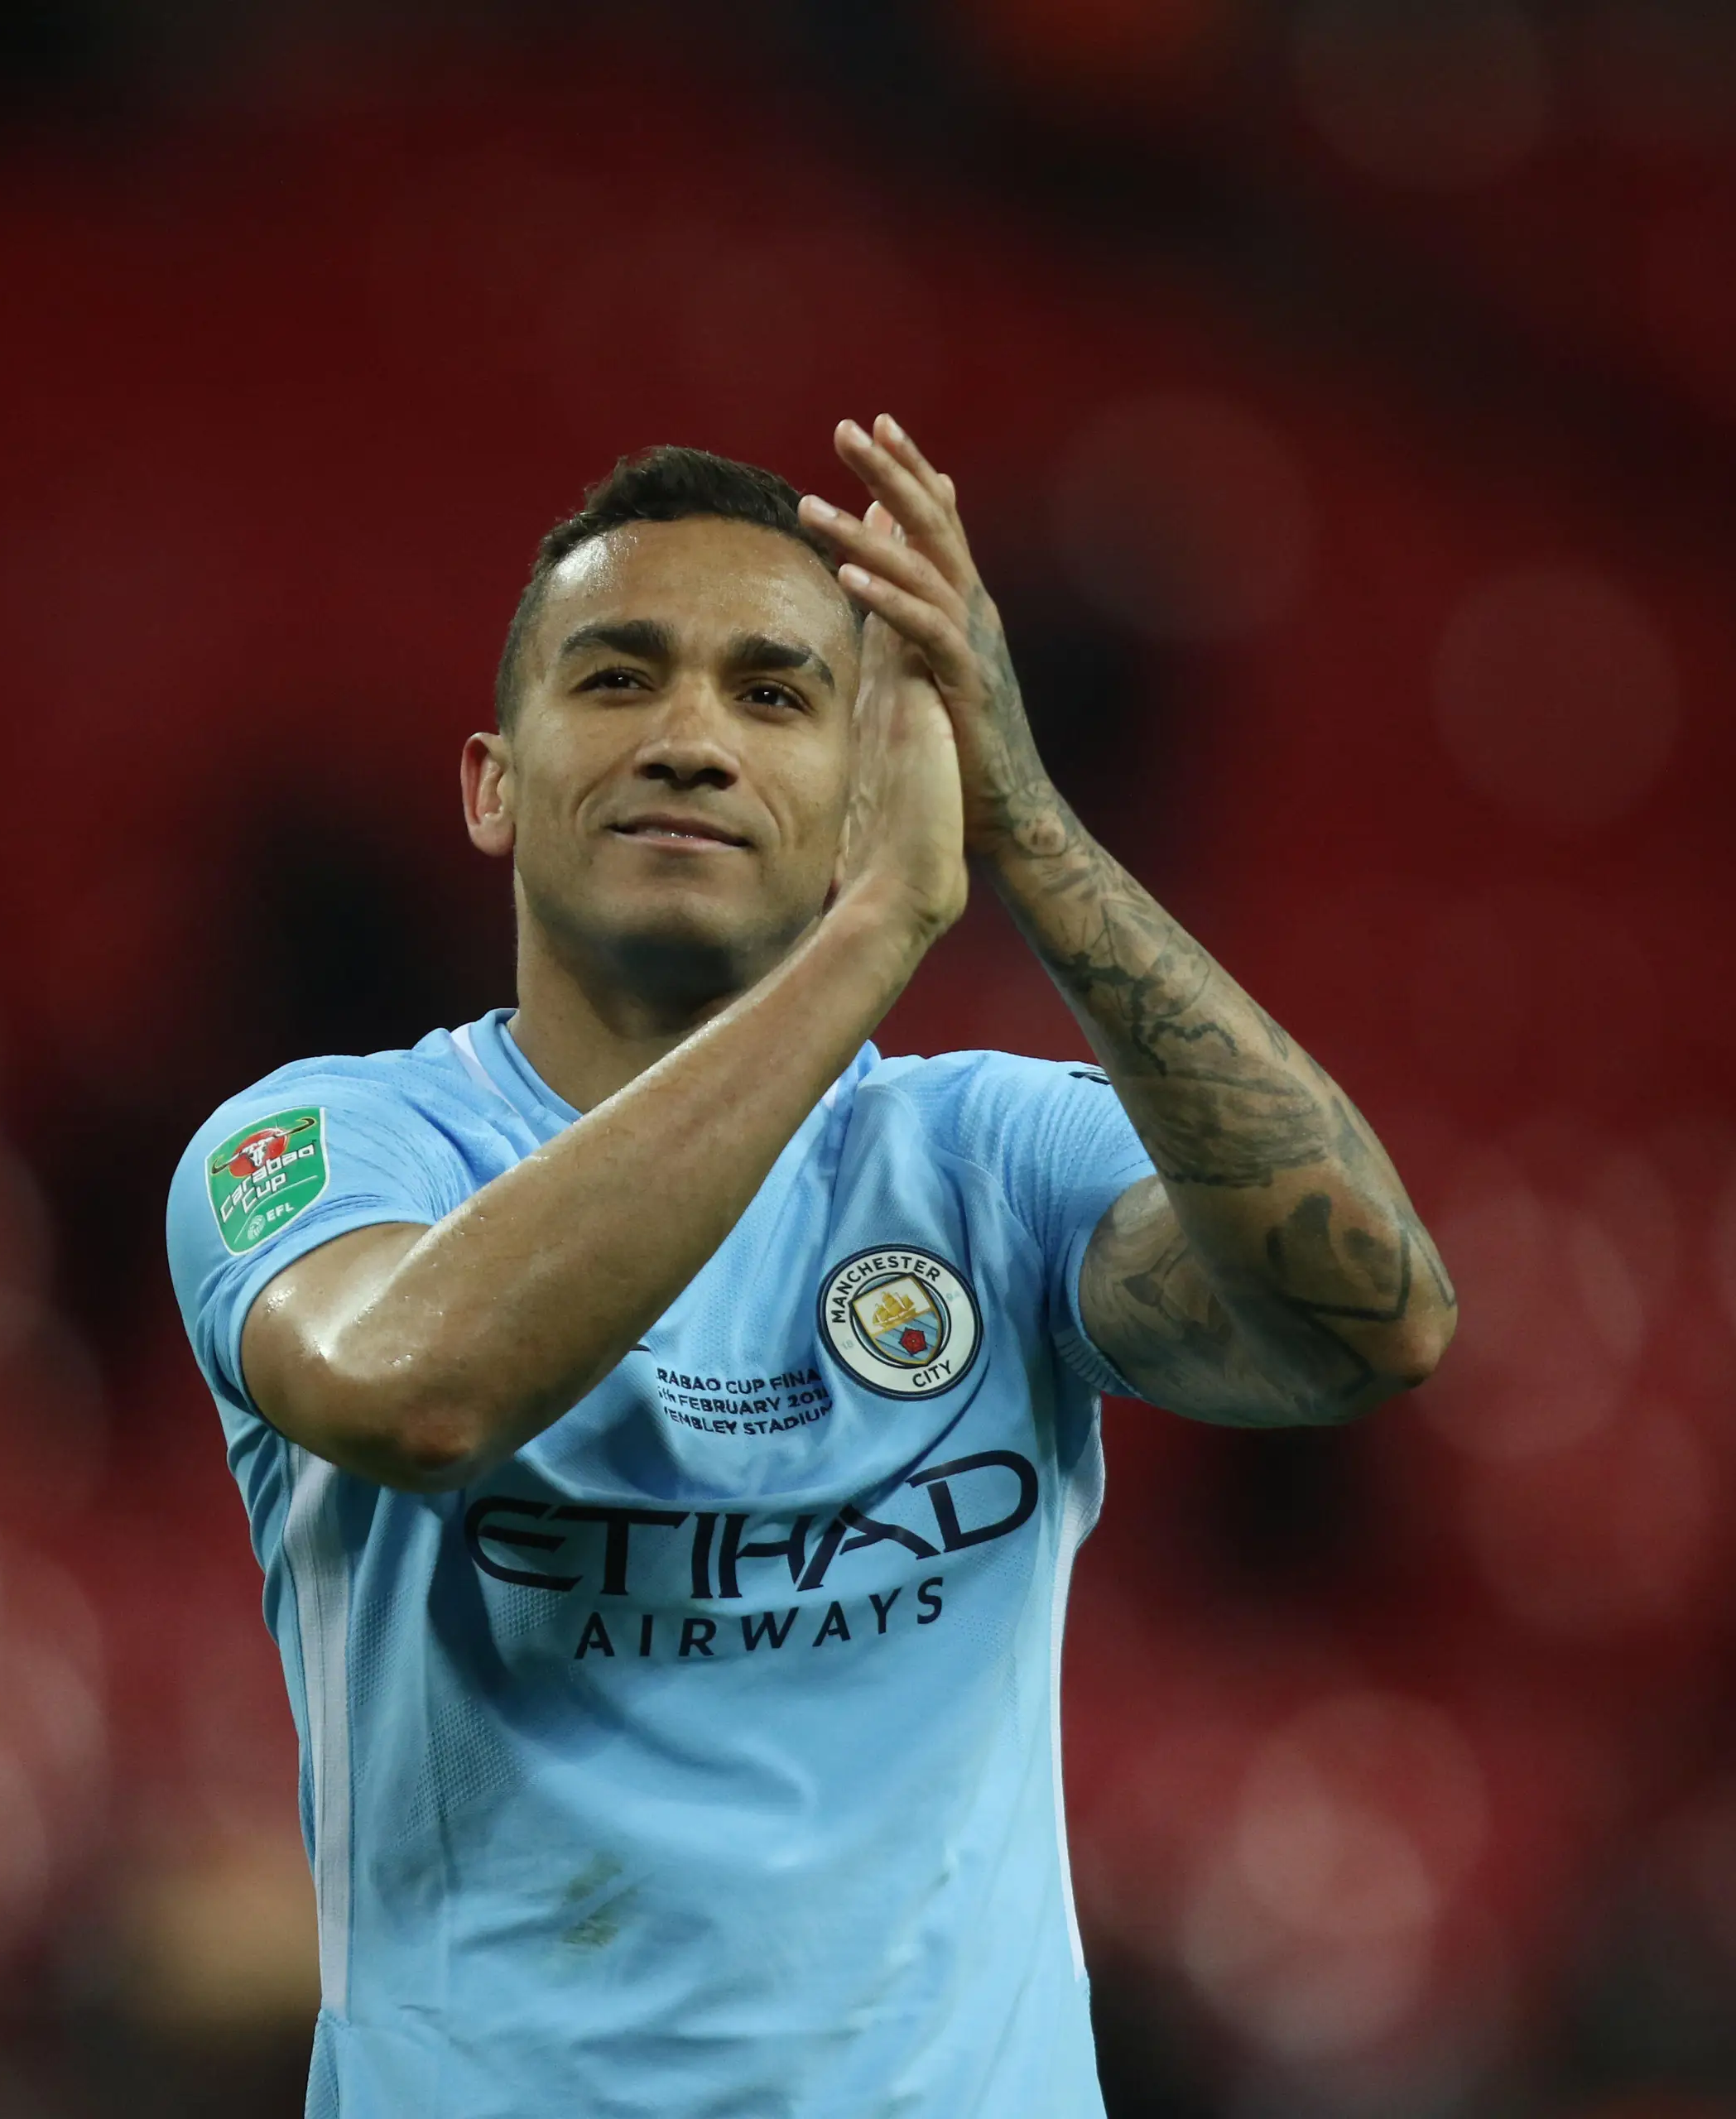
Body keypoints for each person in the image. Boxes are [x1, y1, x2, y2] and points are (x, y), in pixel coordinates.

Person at [163, 418, 1456, 2115]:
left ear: (863, 805)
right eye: (618, 678)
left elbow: (1369, 1322)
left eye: (772, 695)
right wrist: (873, 935)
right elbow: (419, 1387)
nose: (691, 736)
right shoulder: (322, 1146)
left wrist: (1031, 836)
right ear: (492, 782)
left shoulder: (987, 1160)